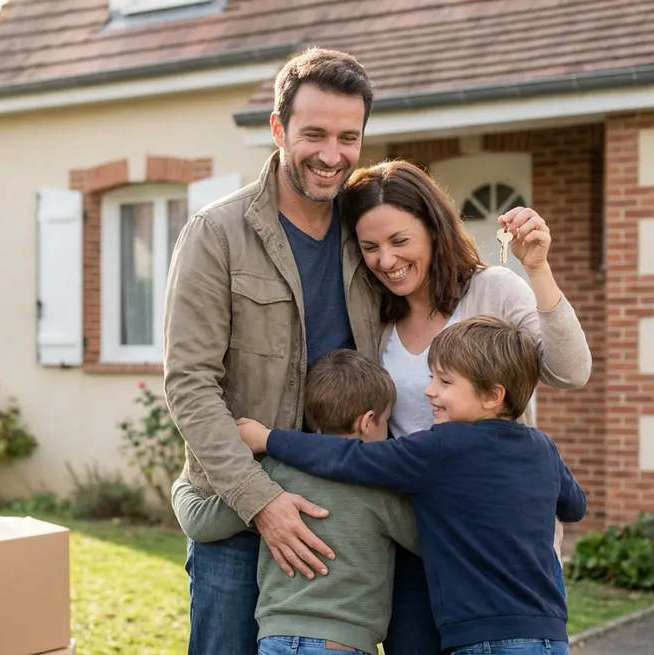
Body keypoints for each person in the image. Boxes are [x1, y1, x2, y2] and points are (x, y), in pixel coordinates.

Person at [162, 47, 389, 655]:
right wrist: (262, 504)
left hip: (342, 512)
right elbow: (190, 383)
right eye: (314, 134)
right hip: (238, 510)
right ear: (278, 128)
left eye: (349, 137)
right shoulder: (217, 234)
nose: (332, 155)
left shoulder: (367, 233)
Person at [330, 159, 593, 636]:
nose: (386, 261)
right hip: (413, 545)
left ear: (434, 229)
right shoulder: (373, 316)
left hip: (501, 554)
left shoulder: (492, 290)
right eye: (370, 247)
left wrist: (538, 269)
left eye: (400, 241)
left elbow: (570, 371)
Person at [238, 314, 588, 655]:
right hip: (549, 633)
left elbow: (350, 458)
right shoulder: (543, 448)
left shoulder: (441, 446)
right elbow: (575, 505)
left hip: (485, 637)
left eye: (445, 382)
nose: (429, 390)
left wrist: (268, 439)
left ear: (493, 395)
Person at [170, 349, 420, 655]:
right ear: (368, 422)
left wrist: (182, 486)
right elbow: (427, 538)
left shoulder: (271, 477)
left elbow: (200, 524)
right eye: (387, 420)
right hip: (341, 644)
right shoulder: (380, 488)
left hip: (276, 640)